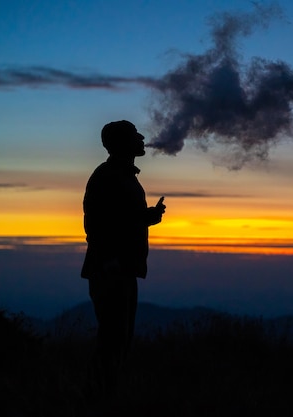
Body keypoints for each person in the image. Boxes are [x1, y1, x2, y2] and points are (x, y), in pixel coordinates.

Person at [81, 120, 166, 390]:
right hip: (112, 270)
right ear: (120, 143)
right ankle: (98, 397)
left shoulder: (125, 176)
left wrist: (147, 217)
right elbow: (96, 223)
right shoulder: (108, 176)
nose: (142, 138)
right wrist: (110, 261)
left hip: (122, 269)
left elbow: (121, 219)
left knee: (120, 340)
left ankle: (105, 395)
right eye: (134, 135)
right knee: (113, 340)